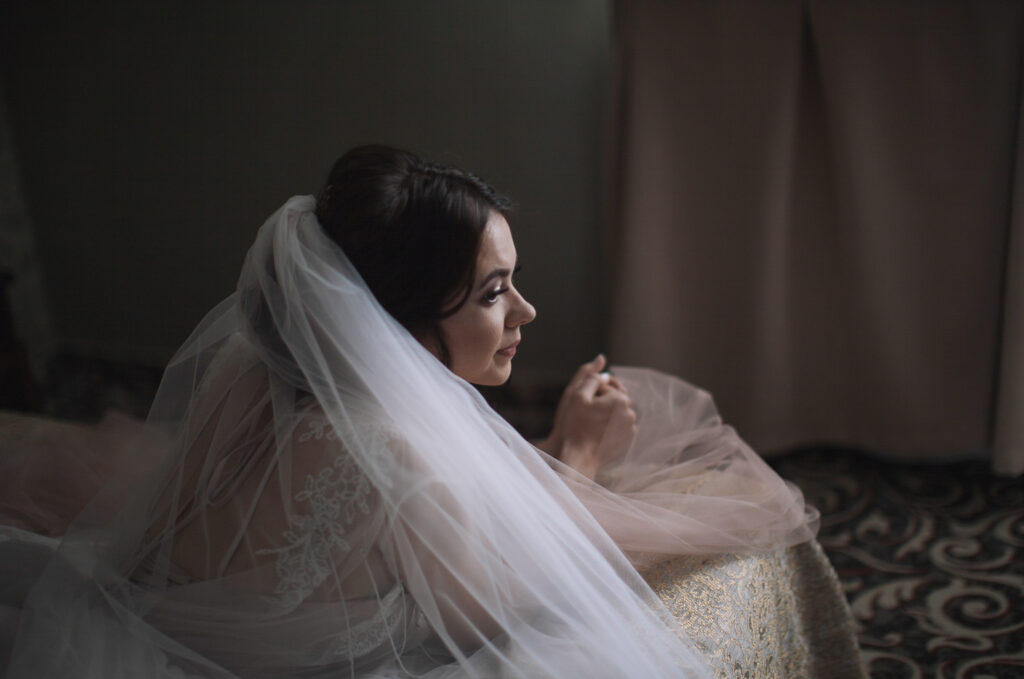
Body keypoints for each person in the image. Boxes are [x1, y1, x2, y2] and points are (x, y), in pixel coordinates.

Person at [0, 146, 828, 678]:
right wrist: (578, 454)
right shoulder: (398, 458)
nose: (526, 314)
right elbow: (522, 590)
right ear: (391, 316)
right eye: (494, 292)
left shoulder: (264, 379)